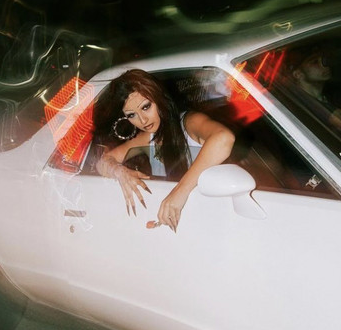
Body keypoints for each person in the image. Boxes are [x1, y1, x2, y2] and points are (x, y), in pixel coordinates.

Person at [94, 69, 235, 232]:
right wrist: (119, 171)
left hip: (211, 218)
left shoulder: (189, 122)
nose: (142, 120)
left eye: (146, 107)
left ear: (158, 98)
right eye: (132, 115)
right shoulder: (149, 136)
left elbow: (224, 138)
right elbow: (103, 162)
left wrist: (180, 191)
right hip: (177, 223)